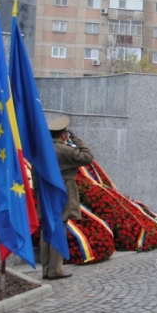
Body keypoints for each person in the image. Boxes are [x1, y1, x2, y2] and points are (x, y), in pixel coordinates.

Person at [47, 116, 94, 280]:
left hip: (47, 191)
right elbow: (87, 157)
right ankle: (55, 269)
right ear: (63, 135)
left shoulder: (44, 148)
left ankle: (47, 268)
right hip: (63, 189)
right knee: (60, 227)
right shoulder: (63, 149)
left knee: (48, 228)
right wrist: (77, 140)